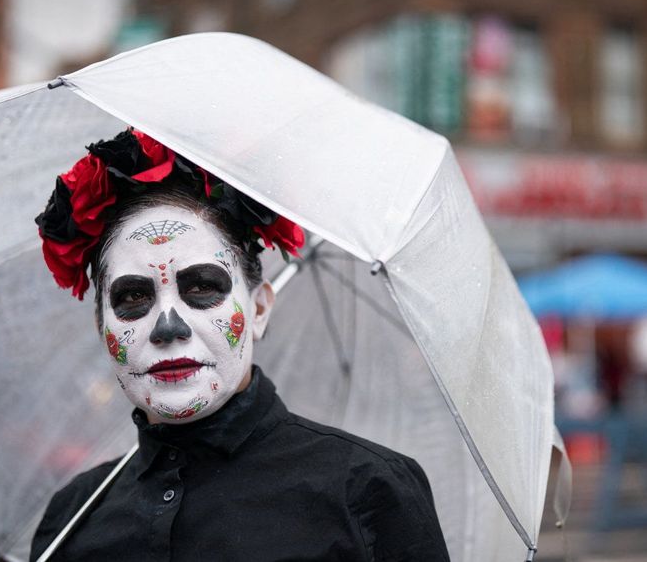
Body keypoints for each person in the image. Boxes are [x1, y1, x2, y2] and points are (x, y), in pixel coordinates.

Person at [29, 128, 449, 560]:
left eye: (202, 287)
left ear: (259, 309)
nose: (167, 326)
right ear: (103, 326)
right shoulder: (72, 521)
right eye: (134, 296)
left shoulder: (367, 493)